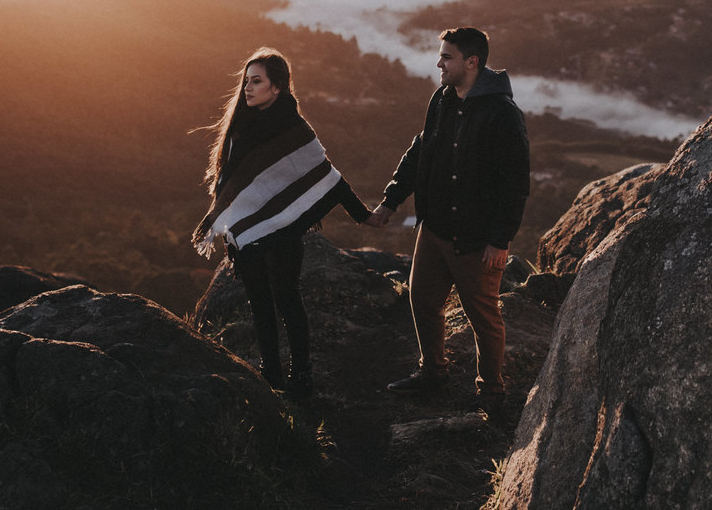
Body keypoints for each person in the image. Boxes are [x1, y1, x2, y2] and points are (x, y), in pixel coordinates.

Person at [193, 47, 380, 400]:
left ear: (277, 87)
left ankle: (301, 375)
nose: (247, 88)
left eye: (257, 81)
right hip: (246, 231)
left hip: (284, 231)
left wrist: (365, 216)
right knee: (260, 303)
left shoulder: (294, 127)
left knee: (287, 300)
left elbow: (328, 177)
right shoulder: (240, 127)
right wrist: (233, 225)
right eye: (246, 81)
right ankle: (271, 373)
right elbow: (231, 184)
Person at [372, 27, 530, 410]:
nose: (438, 63)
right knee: (423, 301)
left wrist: (500, 239)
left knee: (484, 318)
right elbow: (419, 152)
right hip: (435, 228)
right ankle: (432, 372)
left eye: (447, 57)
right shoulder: (441, 100)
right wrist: (390, 201)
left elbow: (515, 182)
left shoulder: (503, 114)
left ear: (471, 62)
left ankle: (491, 391)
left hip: (476, 239)